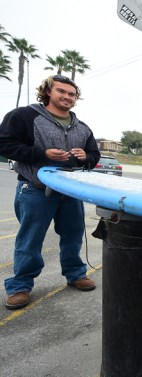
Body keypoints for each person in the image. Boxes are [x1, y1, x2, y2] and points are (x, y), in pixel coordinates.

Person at [0, 75, 101, 310]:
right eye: (61, 91)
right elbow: (4, 145)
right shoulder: (24, 116)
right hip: (35, 189)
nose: (67, 97)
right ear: (48, 92)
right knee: (30, 240)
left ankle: (76, 274)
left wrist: (86, 158)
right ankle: (20, 286)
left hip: (69, 192)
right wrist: (42, 154)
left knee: (73, 236)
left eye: (71, 94)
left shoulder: (82, 128)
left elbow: (94, 156)